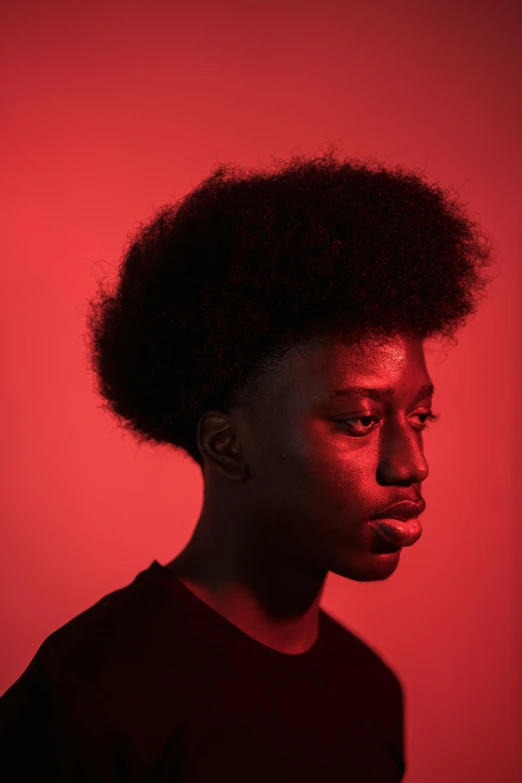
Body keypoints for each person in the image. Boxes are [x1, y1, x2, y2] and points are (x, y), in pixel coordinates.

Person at [0, 146, 496, 781]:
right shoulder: (93, 697)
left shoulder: (369, 692)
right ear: (227, 445)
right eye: (361, 420)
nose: (411, 465)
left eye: (419, 417)